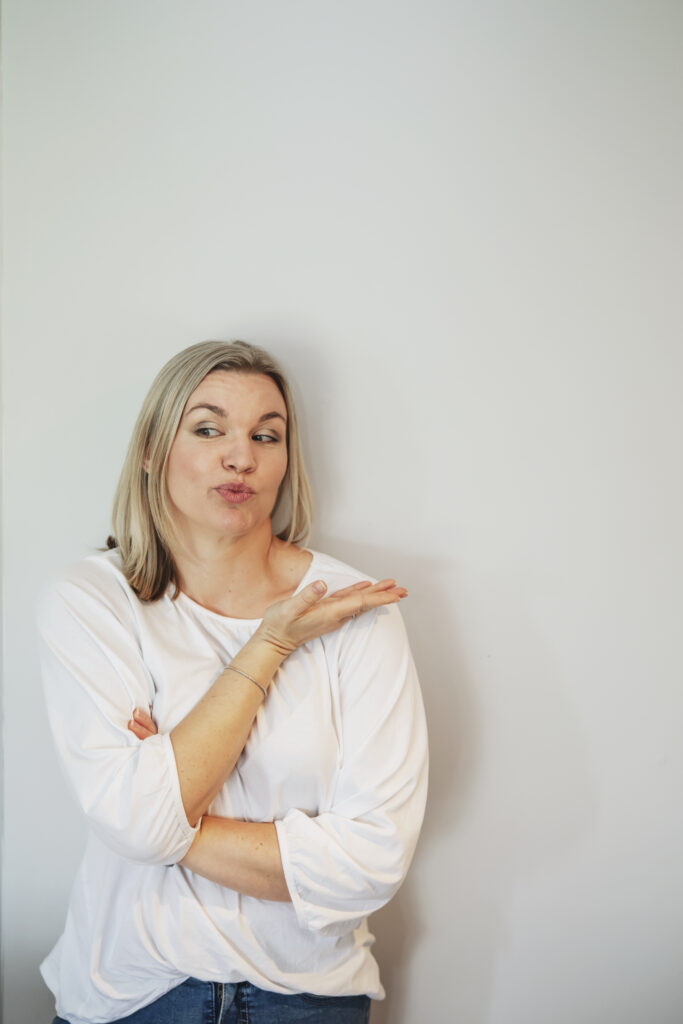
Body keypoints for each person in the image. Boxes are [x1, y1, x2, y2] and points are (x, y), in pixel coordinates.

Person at [37, 340, 428, 1024]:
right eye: (209, 428)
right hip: (133, 992)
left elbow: (372, 861)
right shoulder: (94, 602)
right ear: (154, 451)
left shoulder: (350, 608)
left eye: (265, 435)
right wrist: (271, 643)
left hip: (306, 999)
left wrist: (162, 819)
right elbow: (129, 817)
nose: (240, 456)